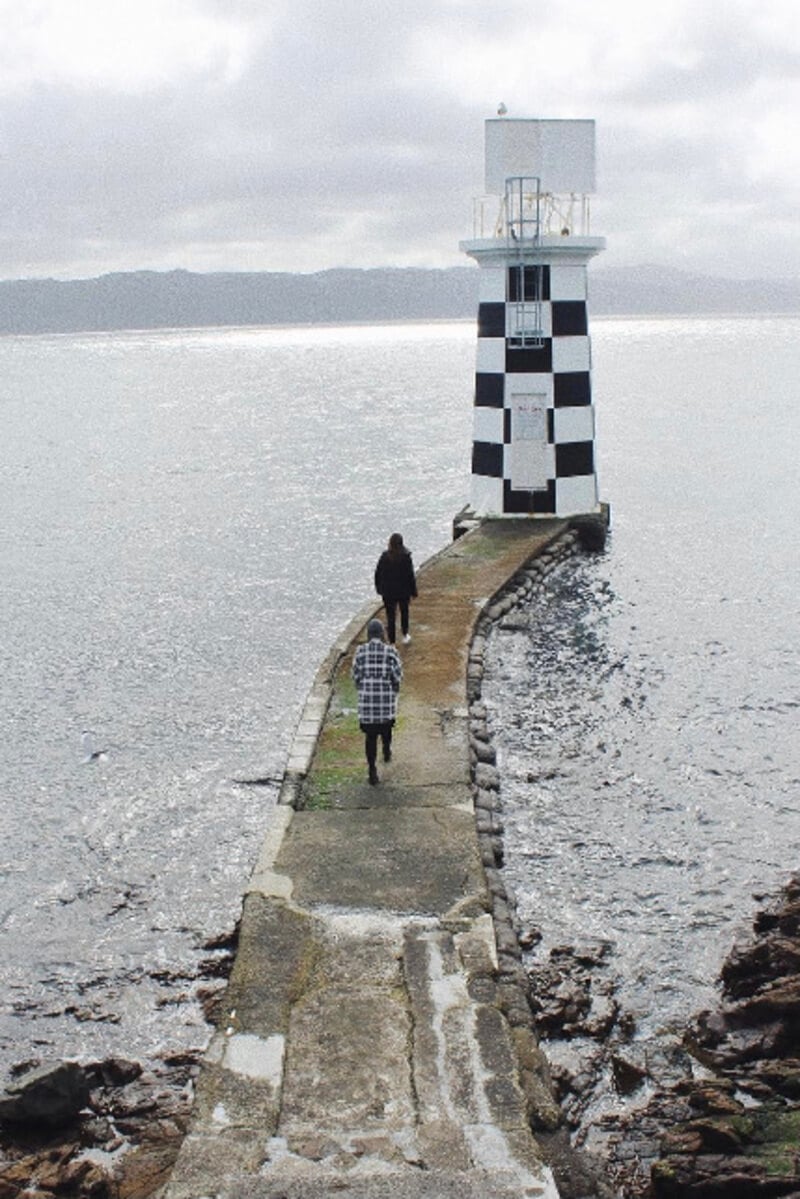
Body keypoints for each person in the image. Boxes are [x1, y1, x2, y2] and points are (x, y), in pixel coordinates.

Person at [352, 618, 402, 785]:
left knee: (370, 737)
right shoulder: (391, 652)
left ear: (368, 634)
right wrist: (393, 690)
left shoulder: (360, 652)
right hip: (385, 706)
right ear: (382, 634)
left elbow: (356, 677)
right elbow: (397, 677)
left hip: (367, 707)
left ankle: (372, 769)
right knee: (386, 729)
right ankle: (386, 750)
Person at [374, 532, 417, 645]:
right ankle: (405, 634)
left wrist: (379, 588)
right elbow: (410, 576)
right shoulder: (406, 557)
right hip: (403, 591)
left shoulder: (385, 556)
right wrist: (414, 591)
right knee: (404, 612)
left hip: (388, 592)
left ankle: (392, 641)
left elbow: (378, 574)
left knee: (390, 616)